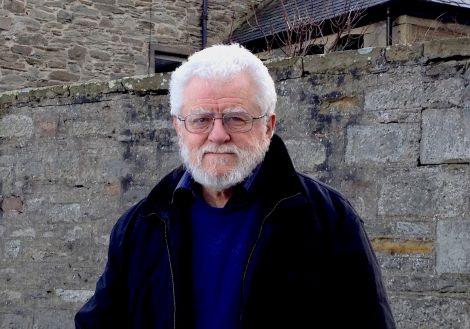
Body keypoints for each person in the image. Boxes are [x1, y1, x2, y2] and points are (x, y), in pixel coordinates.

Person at [75, 44, 396, 329]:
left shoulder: (328, 220)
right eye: (200, 119)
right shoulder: (140, 226)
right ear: (178, 126)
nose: (217, 135)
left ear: (268, 126)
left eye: (236, 118)